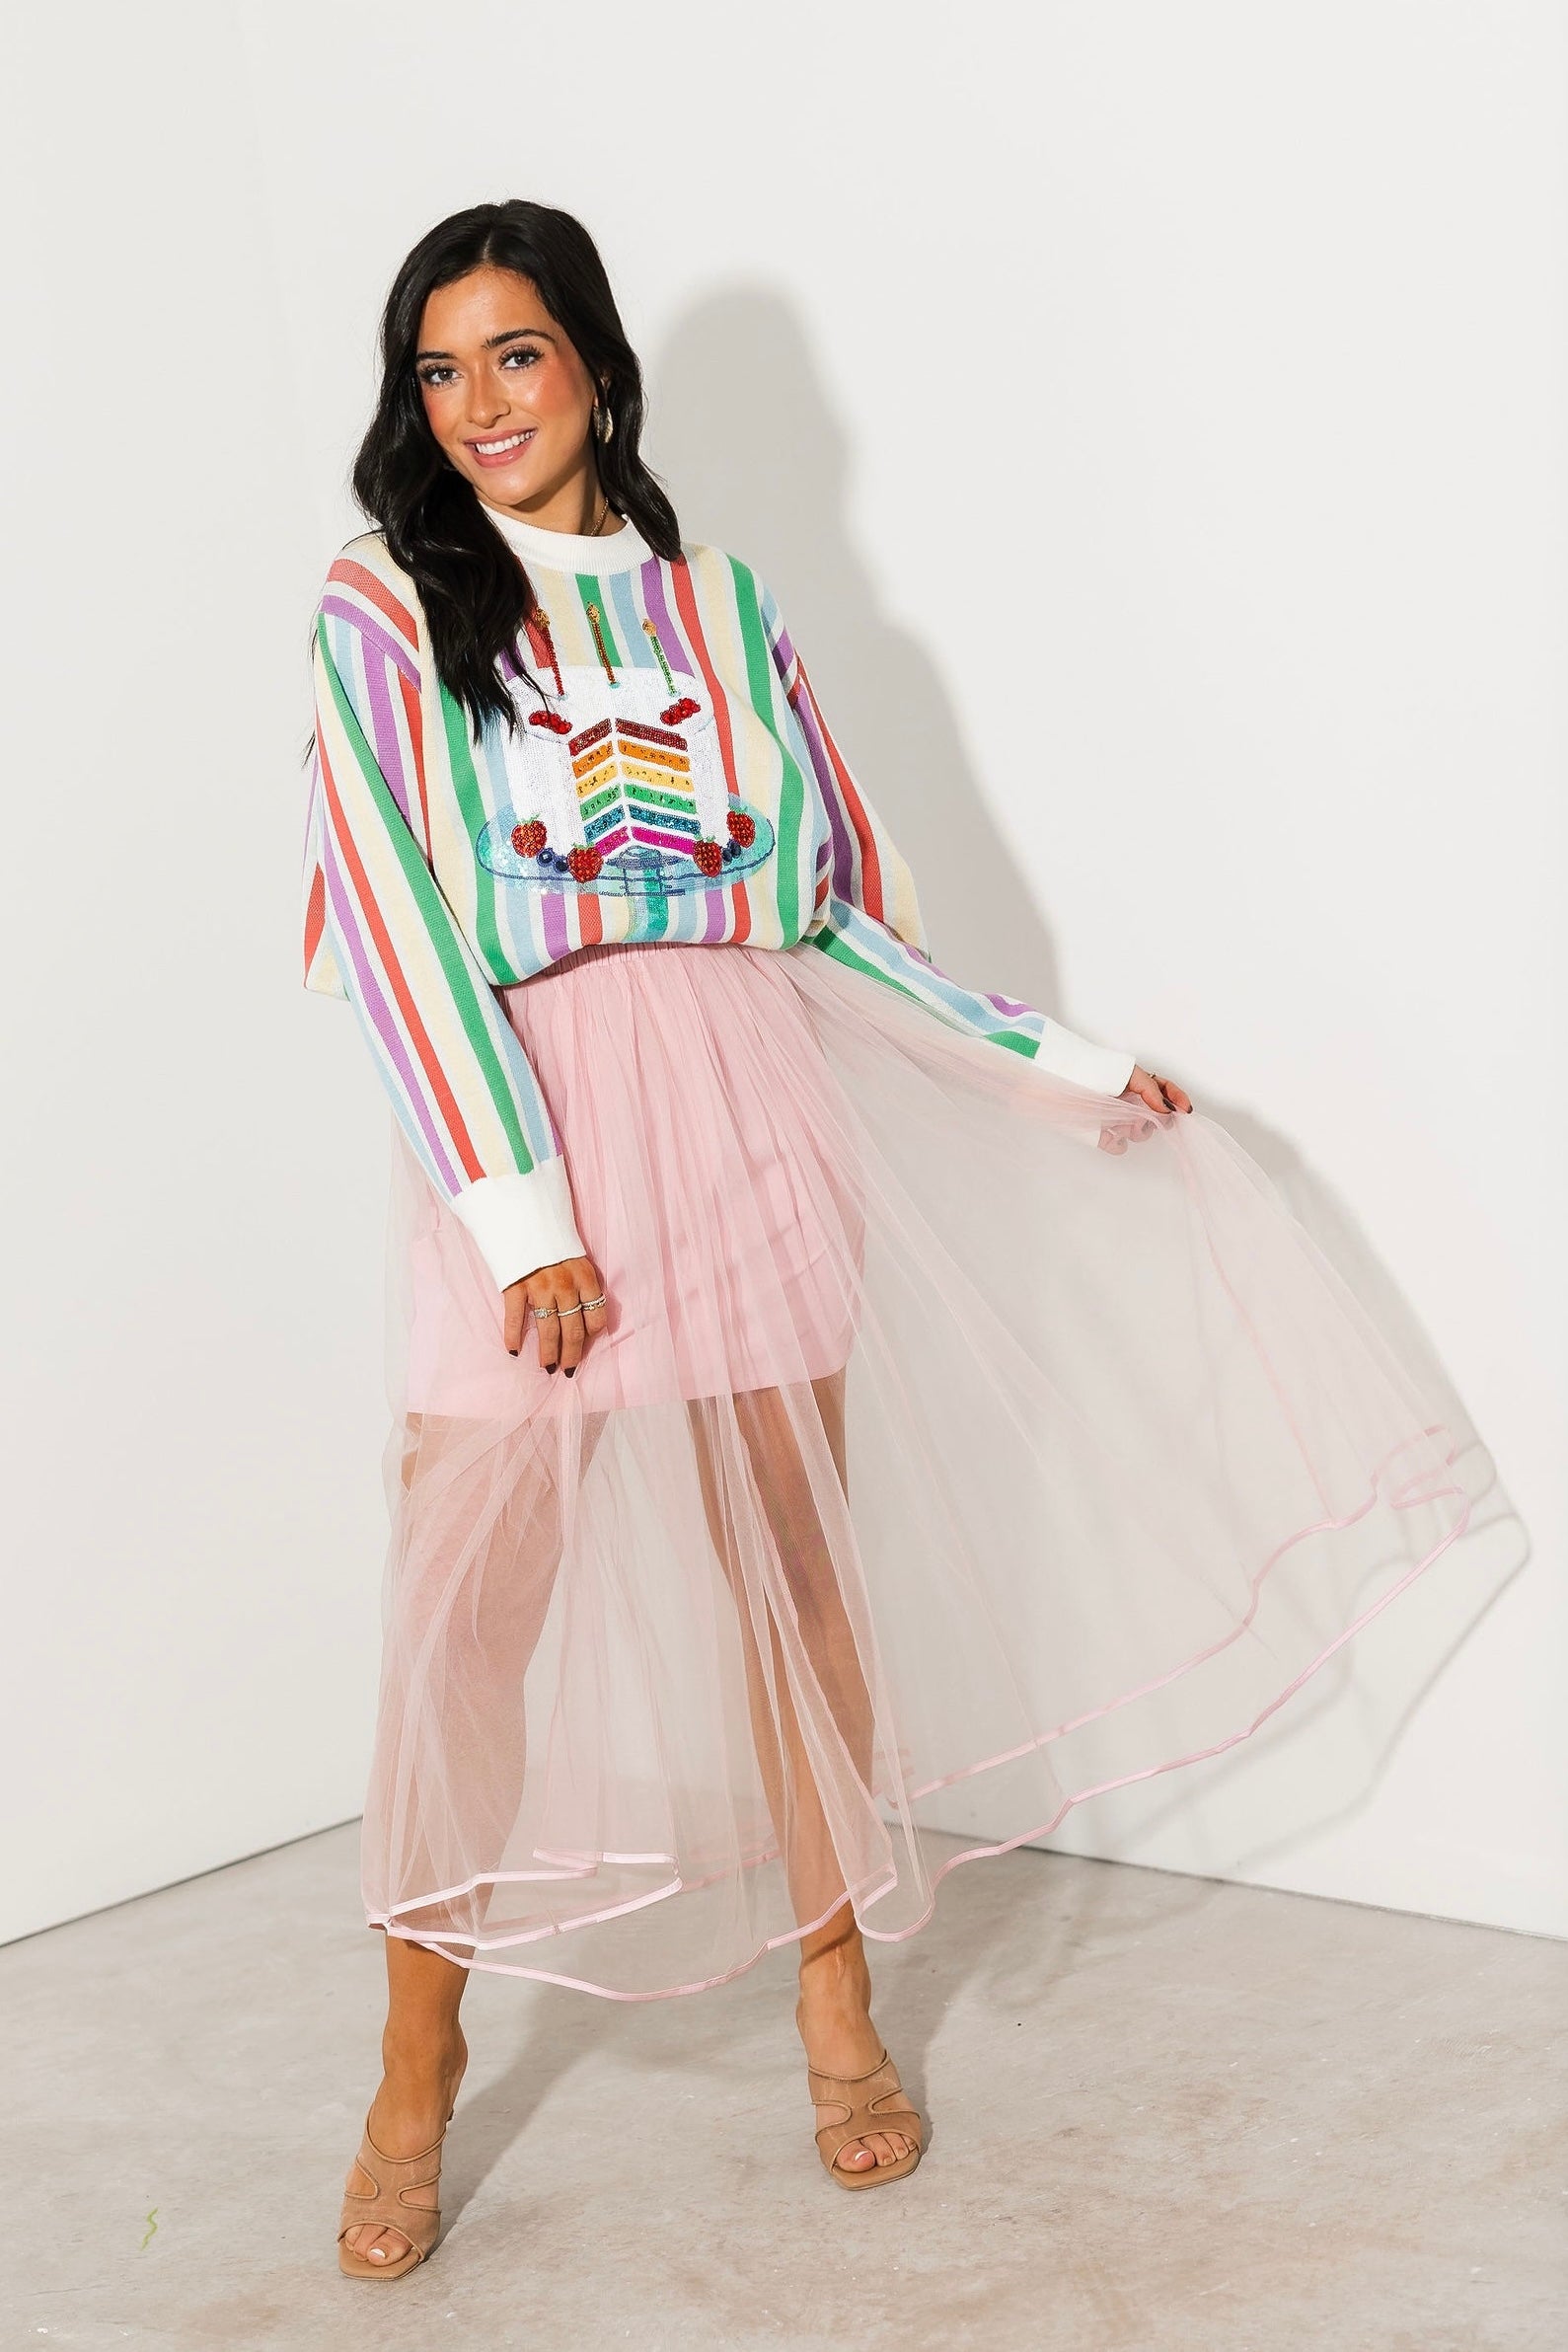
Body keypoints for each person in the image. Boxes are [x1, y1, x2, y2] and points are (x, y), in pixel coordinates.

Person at [304, 200, 1482, 2277]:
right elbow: (396, 921)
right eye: (440, 368)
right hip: (533, 1135)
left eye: (516, 353)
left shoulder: (726, 604)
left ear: (596, 369)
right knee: (470, 1619)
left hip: (752, 1110)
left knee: (798, 1586)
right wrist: (518, 1215)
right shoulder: (385, 602)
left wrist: (1059, 1062)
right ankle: (415, 2068)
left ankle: (836, 2008)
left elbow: (833, 902)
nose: (478, 403)